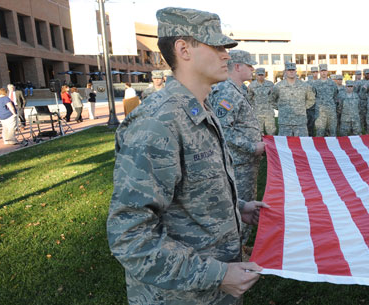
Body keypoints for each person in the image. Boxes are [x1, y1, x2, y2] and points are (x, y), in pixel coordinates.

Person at [106, 8, 265, 304]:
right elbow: (130, 236)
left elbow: (194, 187)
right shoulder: (157, 123)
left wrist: (237, 206)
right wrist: (217, 275)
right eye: (216, 46)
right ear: (183, 49)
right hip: (181, 295)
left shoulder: (198, 109)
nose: (226, 55)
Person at [209, 49, 264, 250]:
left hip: (246, 160)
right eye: (249, 66)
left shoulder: (238, 90)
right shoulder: (227, 92)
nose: (252, 69)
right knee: (238, 204)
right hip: (238, 161)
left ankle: (240, 245)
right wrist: (252, 146)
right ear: (238, 66)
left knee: (247, 201)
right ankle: (234, 251)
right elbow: (224, 129)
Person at [271, 62, 316, 136]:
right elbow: (271, 100)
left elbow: (311, 99)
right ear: (285, 71)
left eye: (293, 70)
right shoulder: (278, 86)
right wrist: (280, 108)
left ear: (296, 71)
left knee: (302, 144)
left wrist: (303, 107)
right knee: (284, 145)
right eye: (289, 70)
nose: (291, 71)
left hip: (300, 122)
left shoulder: (304, 86)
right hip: (284, 122)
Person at [311, 64, 339, 137]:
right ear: (320, 72)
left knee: (332, 131)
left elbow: (335, 96)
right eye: (322, 71)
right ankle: (319, 147)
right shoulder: (315, 84)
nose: (324, 73)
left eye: (325, 71)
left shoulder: (332, 83)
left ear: (327, 72)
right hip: (320, 112)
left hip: (331, 111)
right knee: (320, 132)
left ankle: (333, 147)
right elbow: (313, 96)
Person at [247, 67, 276, 135]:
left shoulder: (270, 84)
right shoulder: (252, 85)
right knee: (258, 132)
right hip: (257, 113)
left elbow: (275, 96)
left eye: (262, 75)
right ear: (256, 75)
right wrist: (254, 105)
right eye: (259, 75)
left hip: (269, 112)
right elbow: (249, 98)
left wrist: (272, 105)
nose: (260, 76)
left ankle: (271, 145)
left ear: (264, 75)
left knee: (271, 131)